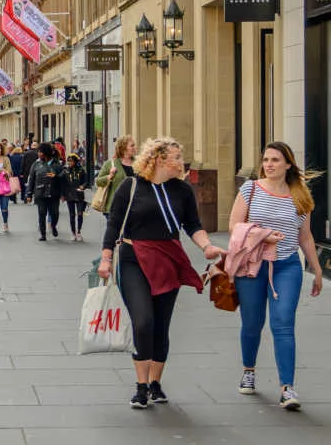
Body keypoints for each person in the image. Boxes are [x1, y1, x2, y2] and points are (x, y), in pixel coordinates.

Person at [98, 137, 224, 408]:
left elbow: (193, 224)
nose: (181, 162)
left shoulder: (182, 190)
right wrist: (106, 259)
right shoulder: (130, 186)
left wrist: (207, 247)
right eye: (177, 157)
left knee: (161, 325)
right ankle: (141, 386)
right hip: (134, 259)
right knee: (143, 321)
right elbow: (113, 225)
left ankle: (155, 382)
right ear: (157, 159)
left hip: (168, 259)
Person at [228, 141, 323, 410]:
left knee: (283, 322)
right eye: (266, 160)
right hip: (252, 264)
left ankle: (287, 388)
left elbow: (305, 237)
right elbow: (234, 225)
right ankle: (249, 370)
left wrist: (316, 270)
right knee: (252, 322)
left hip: (287, 266)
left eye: (275, 160)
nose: (269, 165)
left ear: (288, 165)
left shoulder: (300, 195)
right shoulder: (251, 189)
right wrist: (263, 235)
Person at [27, 143, 64, 240]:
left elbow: (63, 178)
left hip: (54, 193)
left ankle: (53, 226)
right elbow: (31, 179)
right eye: (38, 152)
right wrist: (29, 194)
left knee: (55, 213)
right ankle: (43, 234)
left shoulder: (57, 164)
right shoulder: (36, 164)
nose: (39, 154)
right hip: (40, 192)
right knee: (42, 213)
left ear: (46, 153)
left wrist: (63, 193)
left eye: (41, 152)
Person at [93, 135, 137, 214]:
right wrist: (109, 176)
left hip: (134, 208)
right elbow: (98, 182)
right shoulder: (110, 164)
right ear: (124, 148)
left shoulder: (139, 163)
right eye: (132, 145)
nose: (135, 147)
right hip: (115, 209)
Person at [63, 153, 88, 241]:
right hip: (69, 195)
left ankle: (79, 232)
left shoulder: (81, 170)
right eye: (68, 161)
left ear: (75, 161)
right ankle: (73, 232)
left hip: (79, 194)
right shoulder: (65, 171)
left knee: (80, 213)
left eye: (71, 161)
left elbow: (86, 181)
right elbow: (63, 183)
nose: (69, 163)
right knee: (72, 214)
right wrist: (63, 195)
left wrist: (83, 186)